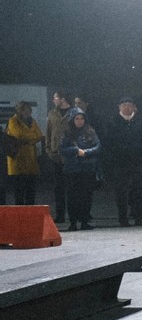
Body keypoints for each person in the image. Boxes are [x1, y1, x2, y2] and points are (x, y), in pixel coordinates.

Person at [104, 95, 142, 226]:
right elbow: (109, 144)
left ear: (133, 106)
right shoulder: (112, 122)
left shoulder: (141, 121)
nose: (126, 107)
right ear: (119, 107)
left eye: (129, 104)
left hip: (137, 162)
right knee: (121, 192)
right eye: (123, 104)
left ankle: (139, 217)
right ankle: (123, 218)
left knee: (139, 191)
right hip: (120, 163)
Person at [59, 108, 101, 230]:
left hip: (87, 169)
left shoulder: (90, 131)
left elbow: (98, 146)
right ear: (72, 120)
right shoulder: (67, 133)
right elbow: (62, 149)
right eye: (77, 119)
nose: (79, 121)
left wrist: (86, 152)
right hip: (72, 170)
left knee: (86, 196)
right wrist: (75, 151)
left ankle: (84, 221)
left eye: (81, 118)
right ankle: (73, 222)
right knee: (72, 197)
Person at [45, 90, 75, 224]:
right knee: (58, 187)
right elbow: (48, 132)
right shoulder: (52, 113)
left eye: (55, 97)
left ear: (63, 99)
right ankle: (60, 215)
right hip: (56, 155)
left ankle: (74, 216)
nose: (54, 100)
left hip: (71, 154)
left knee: (72, 187)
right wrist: (48, 149)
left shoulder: (75, 112)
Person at [6, 101, 43, 205]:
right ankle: (20, 214)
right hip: (18, 159)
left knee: (31, 190)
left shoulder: (32, 121)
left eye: (28, 110)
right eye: (24, 110)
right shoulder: (12, 121)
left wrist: (28, 140)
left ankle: (30, 213)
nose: (27, 112)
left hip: (31, 160)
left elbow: (39, 135)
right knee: (19, 191)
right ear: (19, 111)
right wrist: (32, 138)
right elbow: (18, 135)